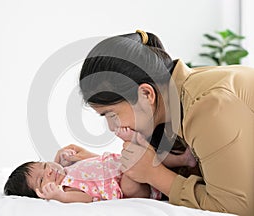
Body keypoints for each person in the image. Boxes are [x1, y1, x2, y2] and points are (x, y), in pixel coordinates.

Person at [74, 30, 254, 215]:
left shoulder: (210, 106)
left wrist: (154, 174)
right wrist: (94, 162)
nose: (113, 128)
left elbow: (236, 207)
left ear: (146, 94)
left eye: (111, 115)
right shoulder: (175, 105)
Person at [3, 147, 155, 202]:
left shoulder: (68, 169)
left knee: (133, 153)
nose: (49, 170)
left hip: (120, 164)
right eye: (42, 179)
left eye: (44, 165)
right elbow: (86, 198)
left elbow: (95, 162)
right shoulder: (66, 188)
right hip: (124, 186)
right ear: (41, 193)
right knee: (130, 180)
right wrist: (60, 196)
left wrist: (70, 158)